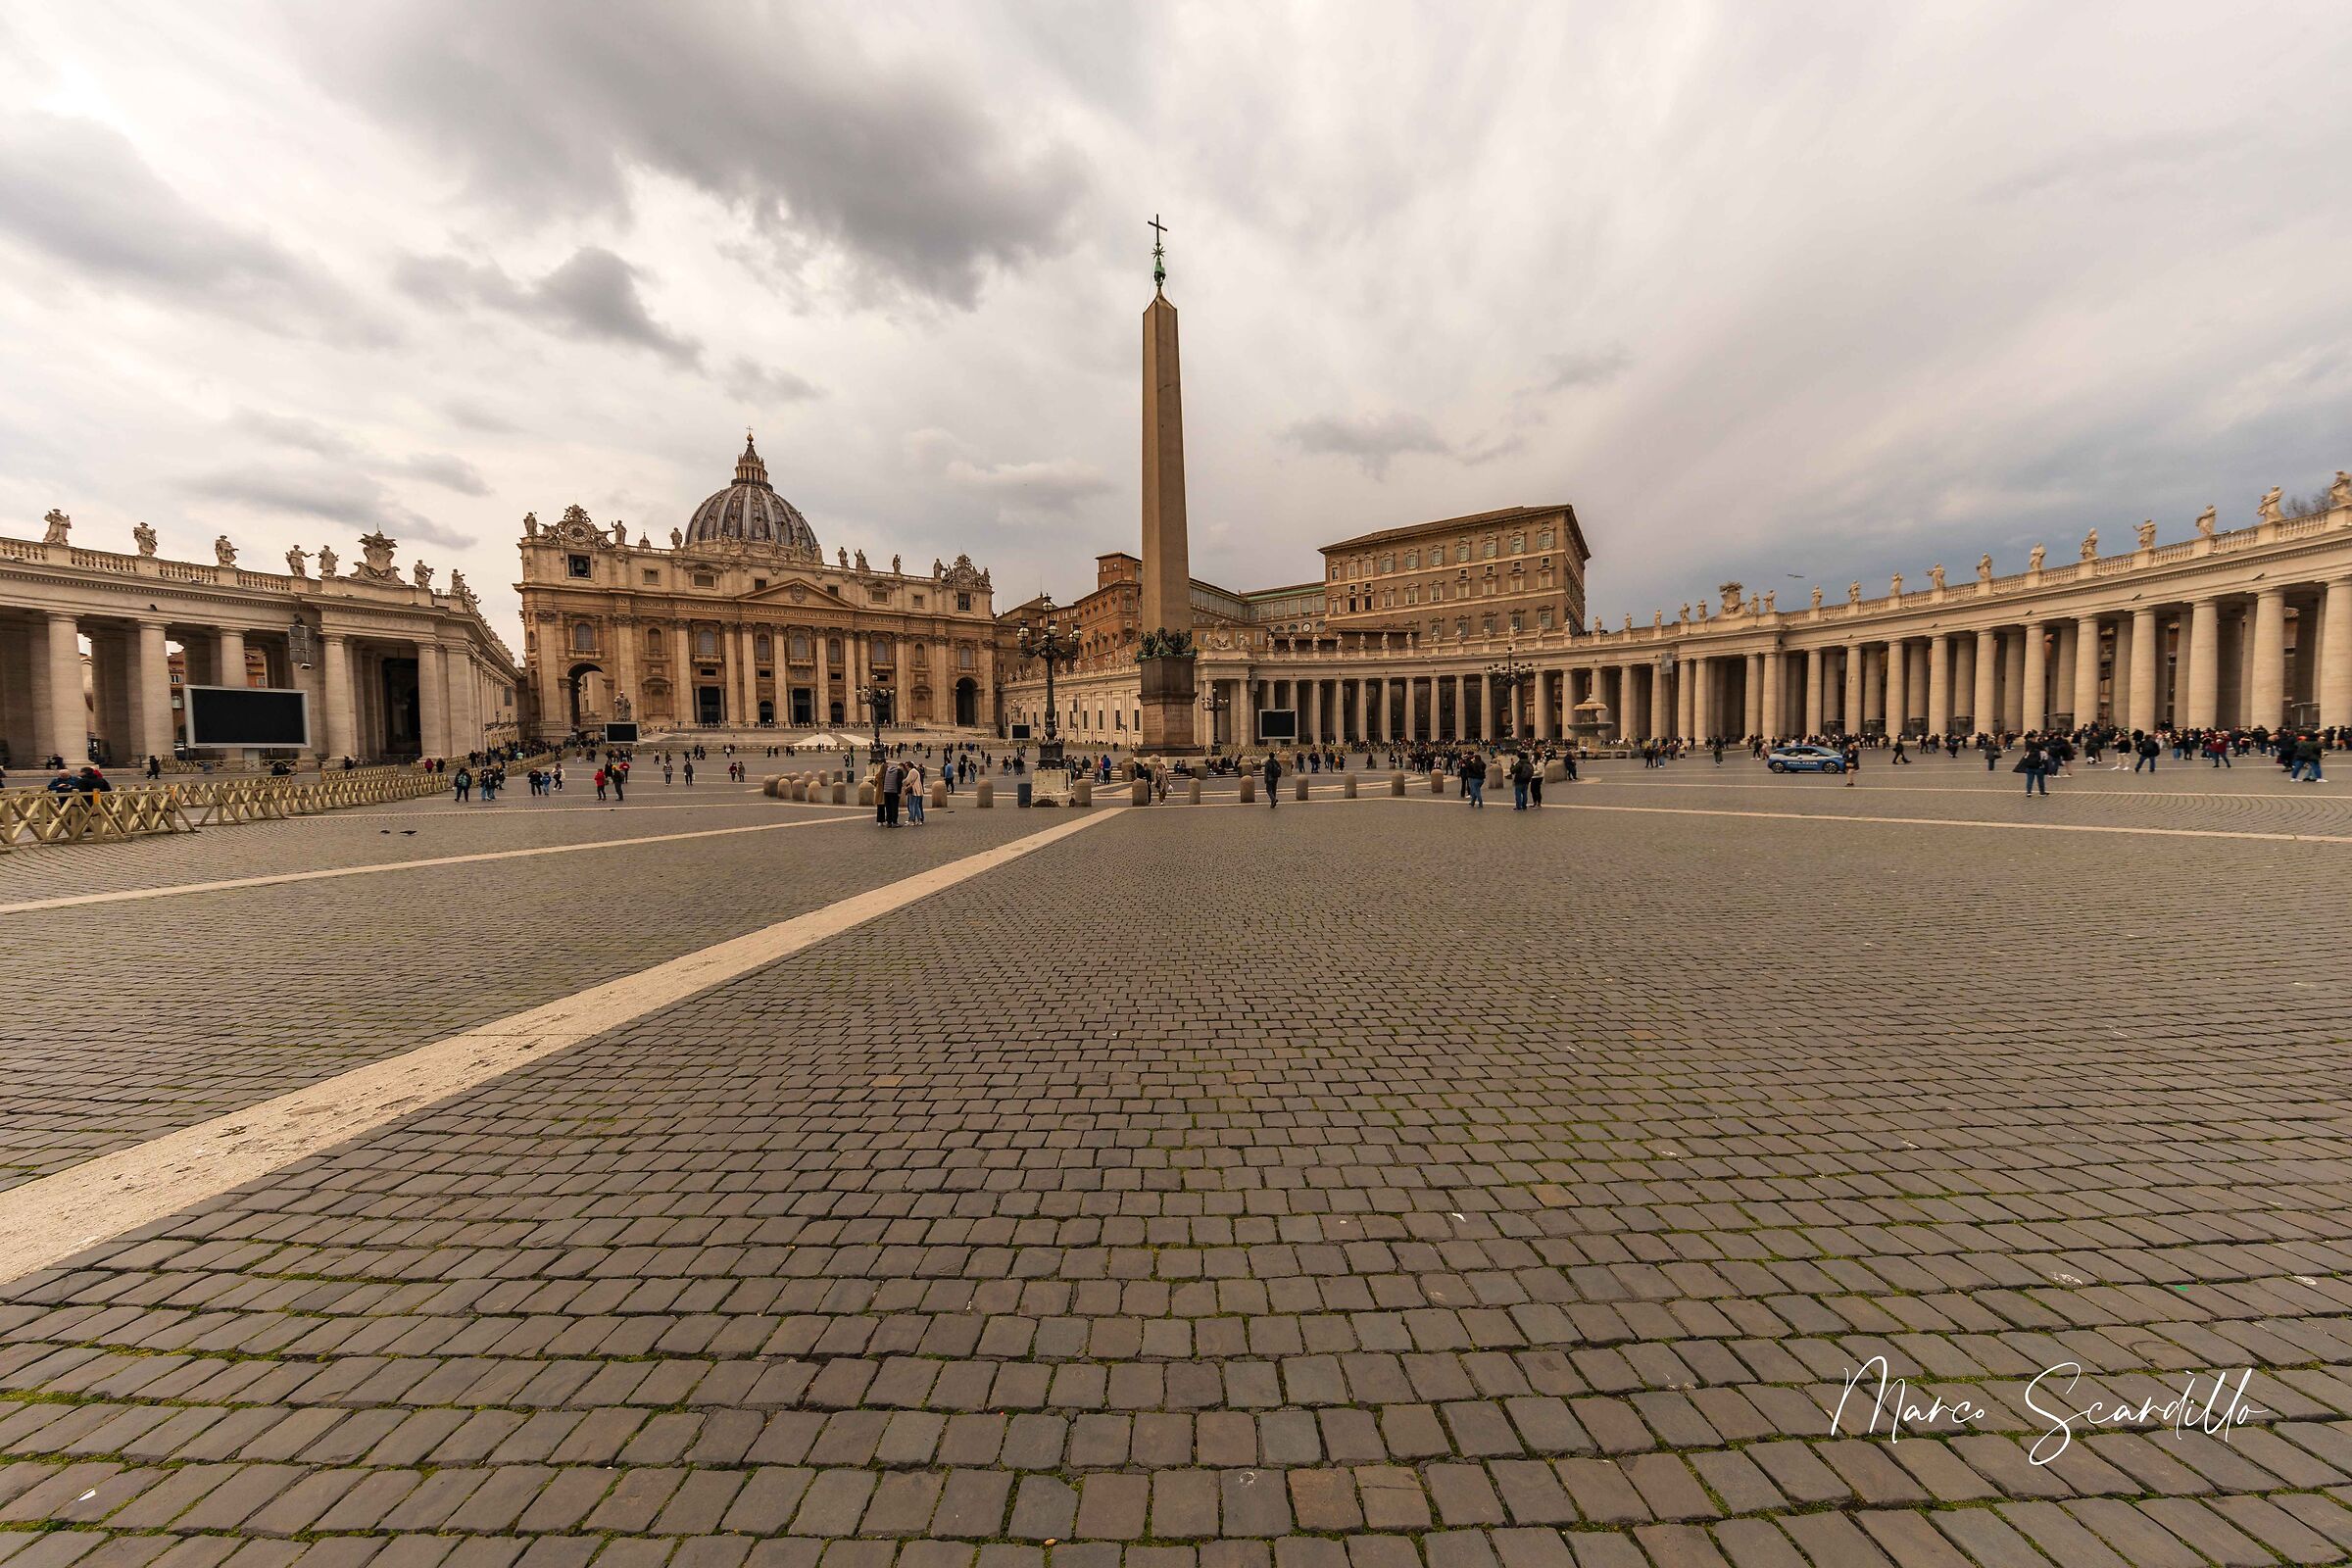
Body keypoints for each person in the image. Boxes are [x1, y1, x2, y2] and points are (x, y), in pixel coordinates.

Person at [905, 760, 926, 824]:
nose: (906, 768)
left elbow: (907, 781)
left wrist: (900, 783)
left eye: (906, 766)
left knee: (911, 805)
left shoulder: (912, 771)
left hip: (914, 790)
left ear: (909, 766)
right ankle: (919, 820)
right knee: (917, 806)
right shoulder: (916, 771)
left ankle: (912, 820)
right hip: (918, 790)